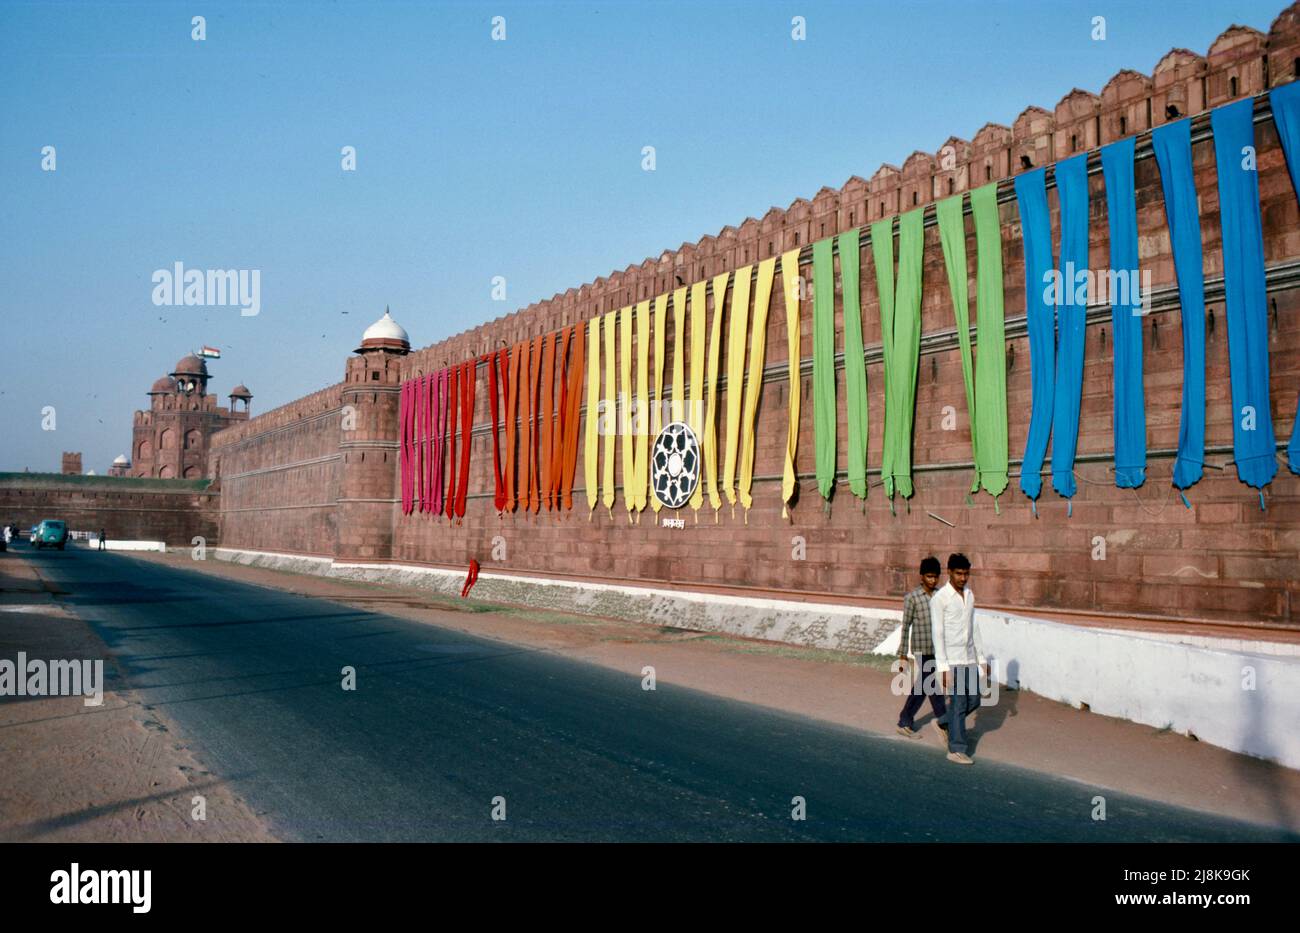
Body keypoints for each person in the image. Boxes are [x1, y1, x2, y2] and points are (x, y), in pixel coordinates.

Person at [930, 553, 986, 765]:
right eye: (959, 574)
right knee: (959, 701)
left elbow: (974, 627)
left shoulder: (969, 595)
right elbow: (938, 633)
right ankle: (956, 748)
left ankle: (944, 723)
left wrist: (980, 658)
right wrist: (943, 667)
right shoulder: (940, 599)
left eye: (966, 574)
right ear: (950, 573)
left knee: (975, 699)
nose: (963, 578)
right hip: (951, 660)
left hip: (969, 657)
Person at [895, 556, 947, 739]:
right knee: (930, 684)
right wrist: (902, 654)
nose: (933, 580)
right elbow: (905, 625)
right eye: (929, 576)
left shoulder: (941, 596)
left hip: (937, 649)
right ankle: (944, 721)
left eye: (935, 577)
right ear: (922, 576)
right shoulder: (912, 598)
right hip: (920, 648)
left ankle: (905, 720)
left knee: (924, 685)